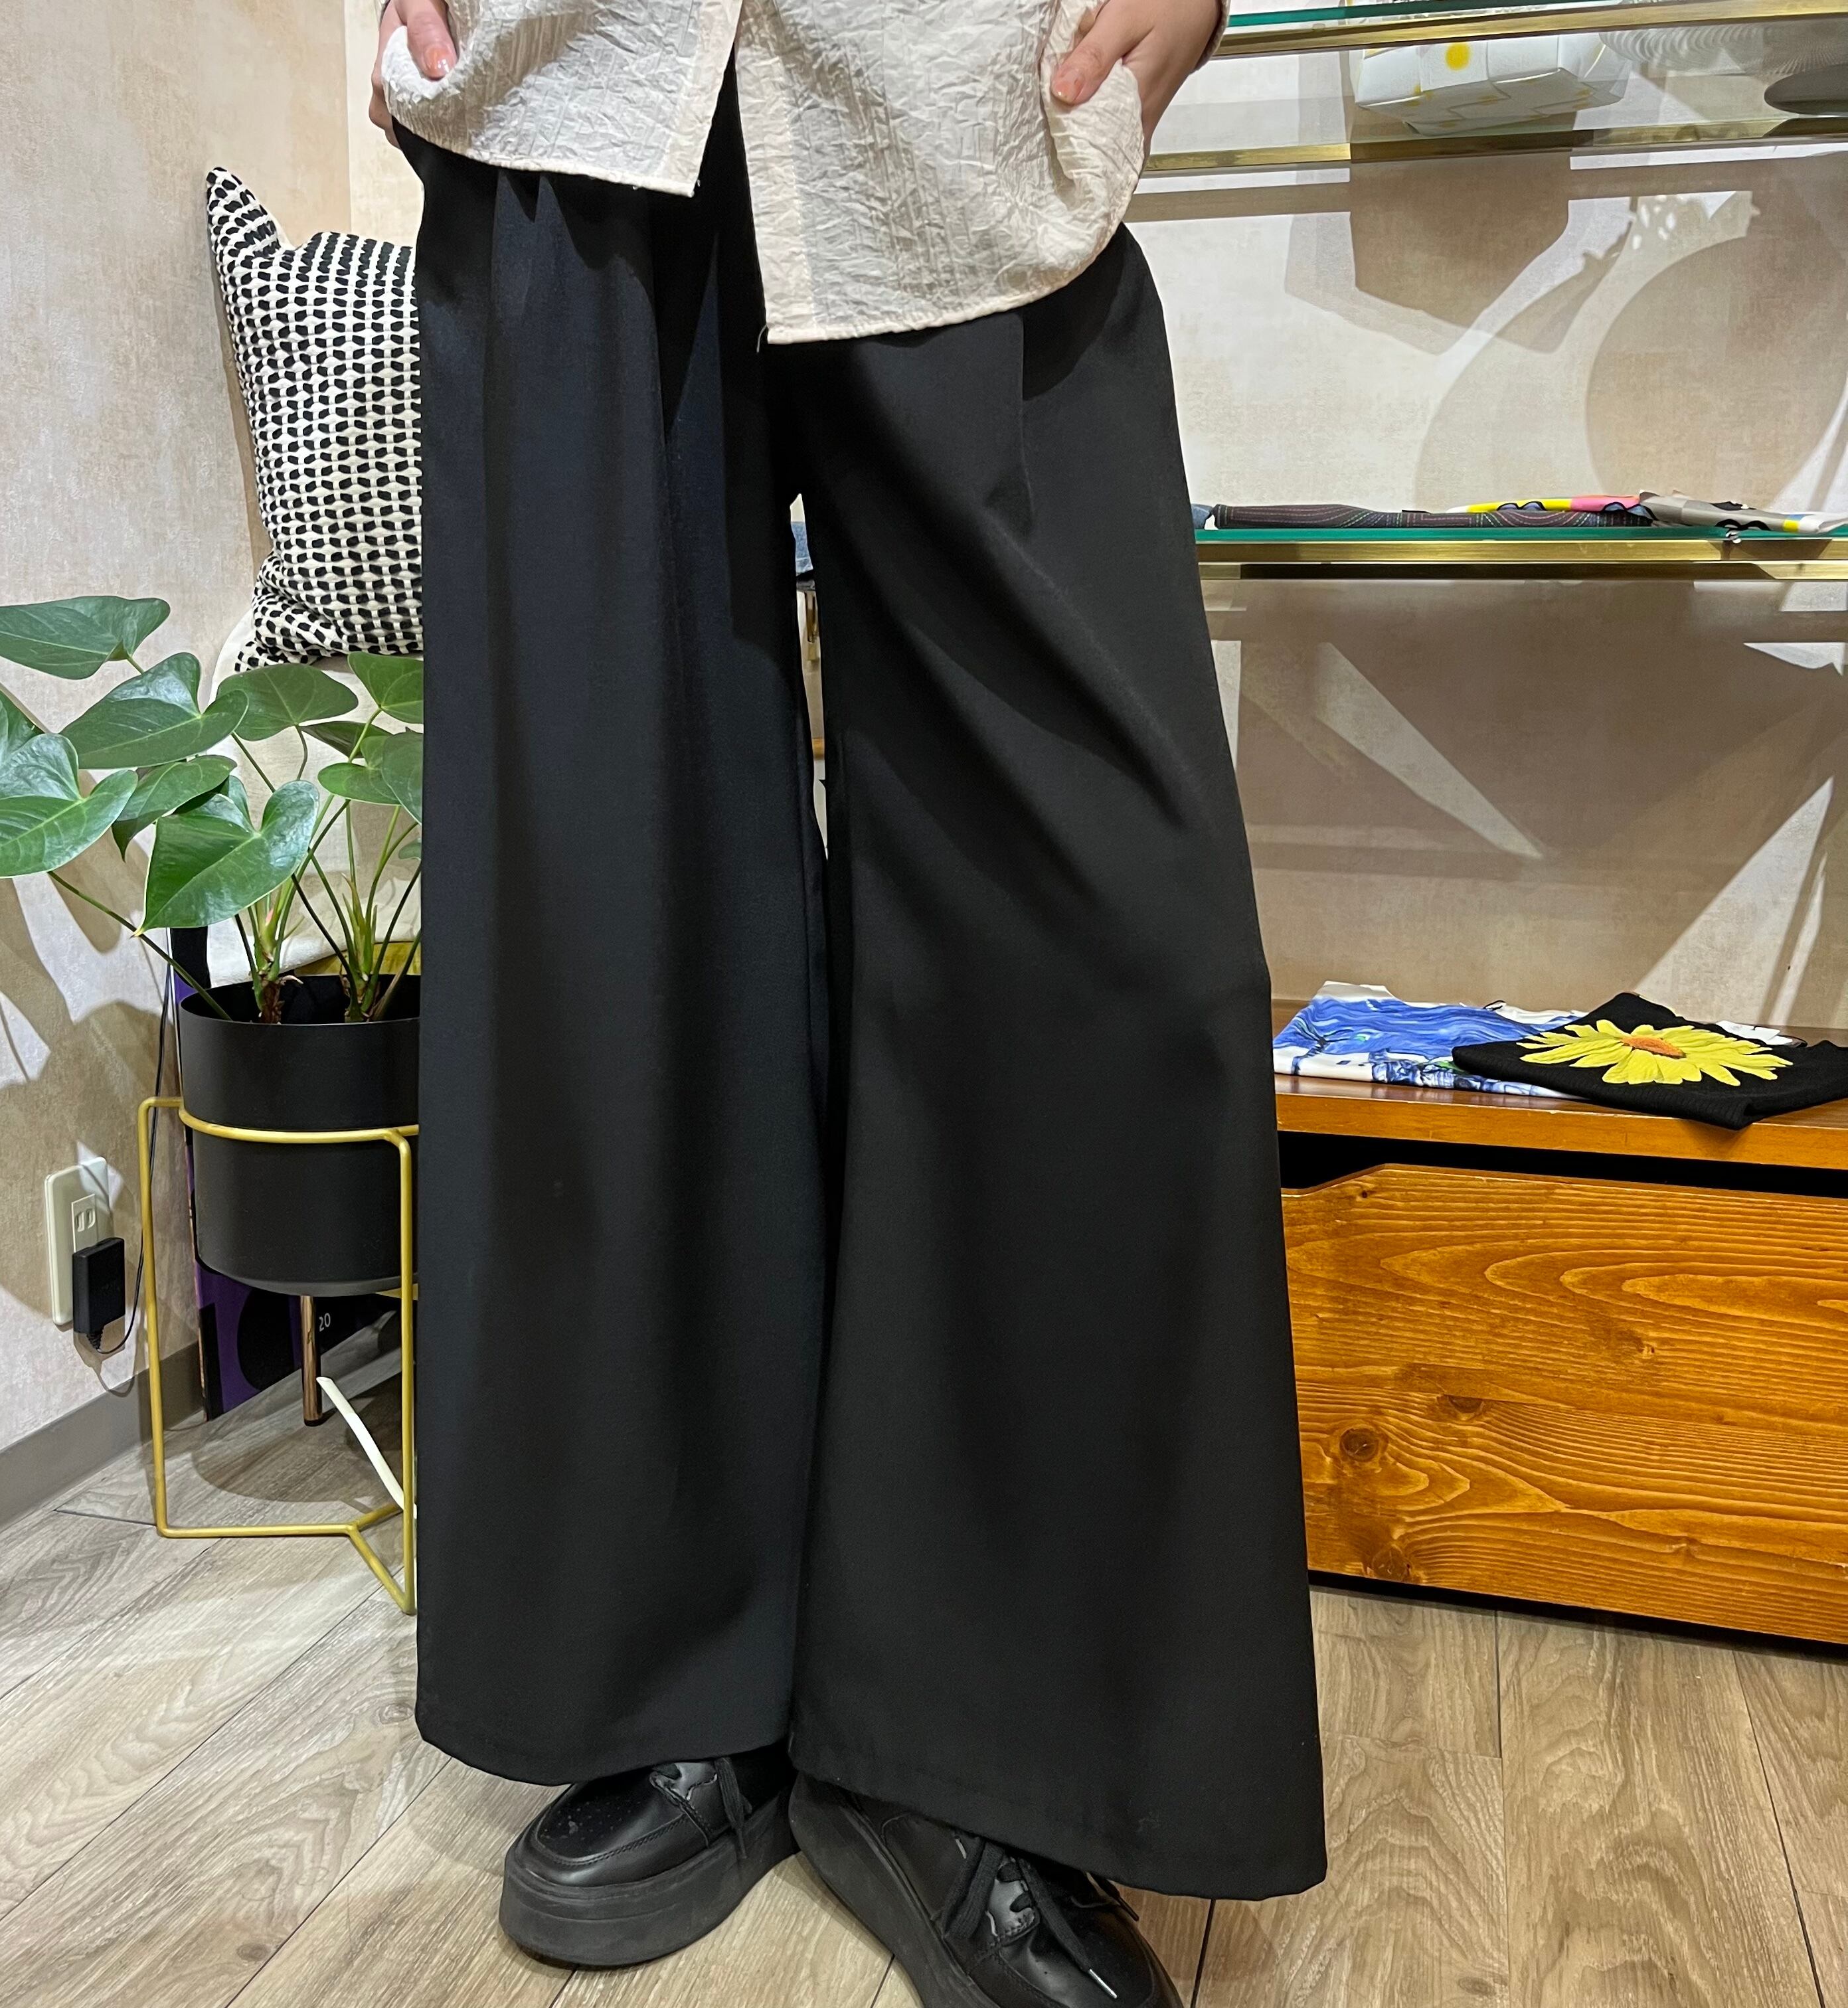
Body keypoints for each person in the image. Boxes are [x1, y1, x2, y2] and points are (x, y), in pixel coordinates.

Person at [371, 3, 1326, 2002]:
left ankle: (974, 1743)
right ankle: (684, 1673)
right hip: (572, 78)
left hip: (969, 77)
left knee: (1108, 913)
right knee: (610, 914)